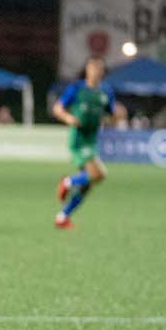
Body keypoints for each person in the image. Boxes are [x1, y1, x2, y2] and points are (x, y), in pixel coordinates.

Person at [52, 56, 126, 229]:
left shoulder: (105, 92)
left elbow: (112, 115)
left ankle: (62, 217)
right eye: (93, 69)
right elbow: (57, 108)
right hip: (79, 139)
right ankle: (68, 182)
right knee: (99, 174)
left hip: (92, 140)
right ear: (87, 70)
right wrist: (68, 118)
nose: (96, 73)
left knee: (86, 186)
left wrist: (118, 115)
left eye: (99, 70)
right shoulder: (76, 89)